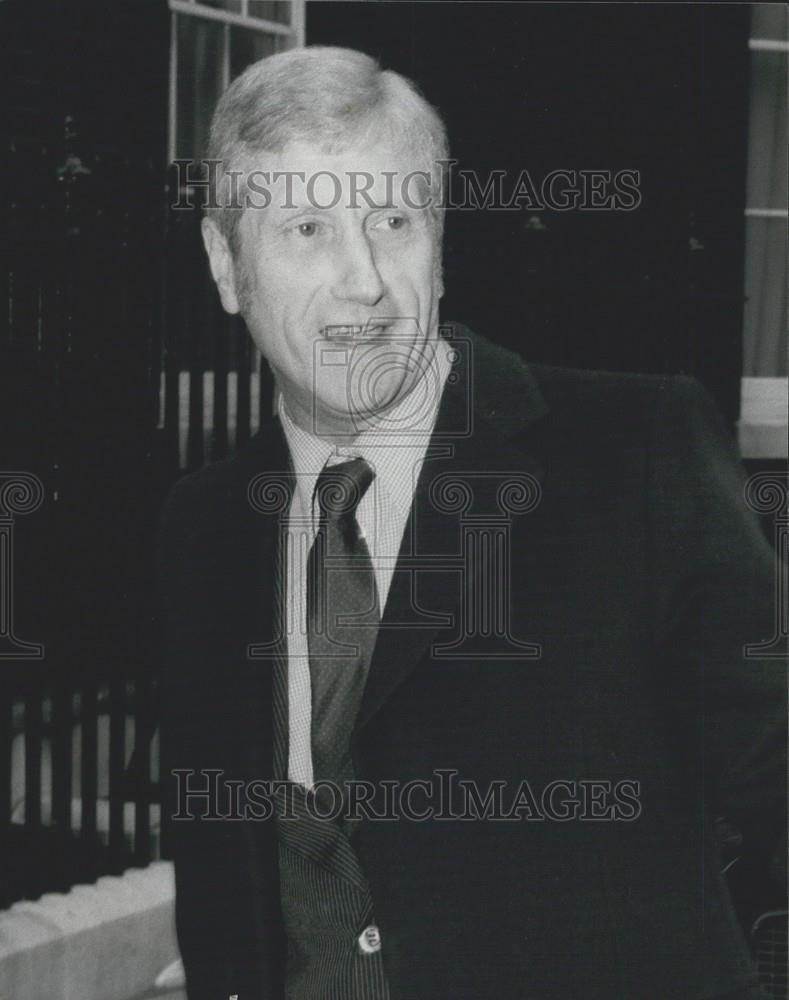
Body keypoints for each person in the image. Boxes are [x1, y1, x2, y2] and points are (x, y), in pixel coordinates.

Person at [157, 46, 786, 1000]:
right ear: (225, 265)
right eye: (307, 228)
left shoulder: (637, 452)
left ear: (440, 247)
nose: (361, 280)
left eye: (394, 221)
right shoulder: (200, 525)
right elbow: (226, 878)